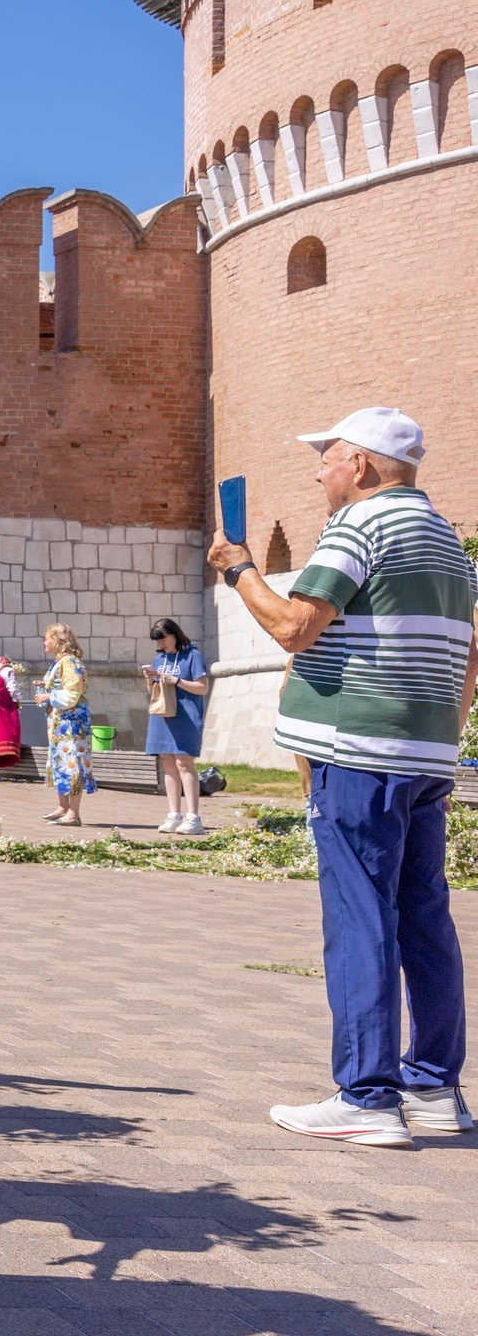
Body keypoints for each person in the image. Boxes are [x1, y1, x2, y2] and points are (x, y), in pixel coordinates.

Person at [208, 405, 476, 1147]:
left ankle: (365, 1096)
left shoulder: (360, 526)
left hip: (359, 754)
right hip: (423, 757)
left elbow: (297, 626)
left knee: (360, 917)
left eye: (326, 459)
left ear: (359, 465)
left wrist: (239, 571)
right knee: (424, 918)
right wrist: (438, 744)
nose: (320, 472)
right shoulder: (448, 541)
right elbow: (470, 654)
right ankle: (433, 1088)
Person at [142, 617, 213, 835]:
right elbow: (152, 693)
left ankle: (193, 817)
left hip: (186, 716)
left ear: (175, 635)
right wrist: (149, 679)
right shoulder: (159, 659)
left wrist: (177, 681)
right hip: (162, 715)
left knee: (184, 763)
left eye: (164, 639)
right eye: (158, 641)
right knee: (167, 762)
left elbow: (202, 687)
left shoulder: (193, 655)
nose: (161, 644)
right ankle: (174, 814)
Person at [34, 623, 95, 827]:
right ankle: (63, 807)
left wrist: (49, 695)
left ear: (58, 641)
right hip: (61, 722)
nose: (44, 642)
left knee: (72, 762)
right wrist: (46, 688)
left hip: (71, 722)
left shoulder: (69, 662)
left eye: (47, 638)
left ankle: (73, 813)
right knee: (60, 760)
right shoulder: (60, 662)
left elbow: (72, 693)